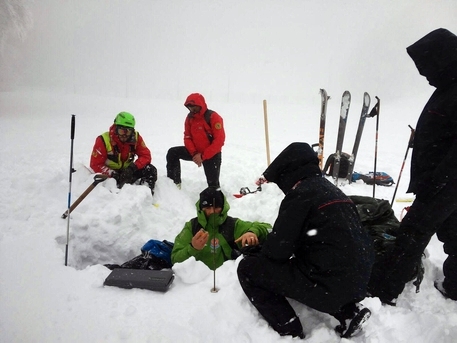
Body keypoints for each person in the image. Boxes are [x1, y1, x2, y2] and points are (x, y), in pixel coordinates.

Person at [236, 142, 375, 339]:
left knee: (248, 269)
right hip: (360, 280)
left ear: (288, 174)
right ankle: (348, 312)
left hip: (329, 283)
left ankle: (289, 329)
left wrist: (258, 252)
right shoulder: (333, 191)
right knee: (323, 268)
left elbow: (278, 252)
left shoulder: (300, 195)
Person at [368, 28, 457, 304]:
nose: (424, 75)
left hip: (444, 183)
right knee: (454, 232)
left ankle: (383, 290)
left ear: (442, 58)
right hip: (442, 182)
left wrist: (438, 182)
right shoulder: (448, 84)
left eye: (426, 67)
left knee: (411, 235)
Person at [171, 187, 271, 270]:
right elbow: (175, 259)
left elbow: (269, 228)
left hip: (226, 285)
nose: (212, 212)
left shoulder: (232, 225)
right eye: (207, 208)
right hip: (195, 286)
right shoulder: (191, 227)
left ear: (223, 207)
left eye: (216, 207)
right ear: (201, 208)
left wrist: (252, 232)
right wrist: (192, 248)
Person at [90, 111, 157, 195]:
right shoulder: (103, 140)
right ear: (115, 128)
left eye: (128, 131)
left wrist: (133, 167)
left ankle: (145, 195)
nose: (124, 135)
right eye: (122, 131)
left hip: (128, 172)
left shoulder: (136, 138)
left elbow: (146, 156)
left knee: (151, 170)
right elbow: (95, 164)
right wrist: (113, 174)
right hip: (109, 176)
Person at [166, 93, 225, 188]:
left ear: (200, 105)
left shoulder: (213, 117)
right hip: (195, 152)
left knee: (213, 185)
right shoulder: (189, 118)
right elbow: (187, 137)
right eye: (189, 107)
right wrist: (194, 154)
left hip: (211, 154)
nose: (192, 110)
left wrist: (203, 156)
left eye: (194, 107)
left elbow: (219, 141)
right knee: (173, 153)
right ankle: (174, 185)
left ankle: (215, 198)